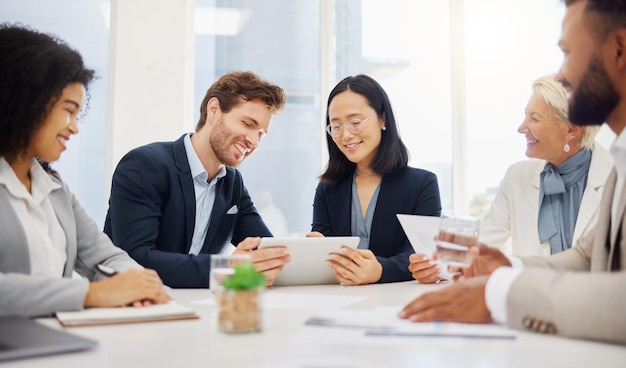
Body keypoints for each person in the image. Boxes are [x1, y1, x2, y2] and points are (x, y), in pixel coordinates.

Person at [400, 0, 626, 345]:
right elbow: (586, 257)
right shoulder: (621, 161)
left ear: (620, 50)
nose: (562, 74)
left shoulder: (609, 164)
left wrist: (503, 291)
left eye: (568, 52)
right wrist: (507, 266)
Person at [0, 23, 171, 317]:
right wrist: (92, 293)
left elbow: (105, 255)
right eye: (68, 110)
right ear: (25, 101)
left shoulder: (54, 189)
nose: (75, 128)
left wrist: (135, 284)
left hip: (55, 343)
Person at [409, 74, 613, 284]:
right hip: (532, 308)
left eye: (534, 118)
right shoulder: (517, 178)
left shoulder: (616, 178)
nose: (521, 128)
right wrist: (438, 267)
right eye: (526, 116)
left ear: (572, 129)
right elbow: (483, 248)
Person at [104, 71, 290, 288]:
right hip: (130, 307)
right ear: (214, 110)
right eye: (248, 124)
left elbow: (267, 251)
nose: (253, 141)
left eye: (261, 134)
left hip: (195, 308)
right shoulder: (145, 165)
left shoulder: (232, 184)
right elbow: (136, 259)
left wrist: (311, 254)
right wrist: (227, 268)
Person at [308, 74, 442, 285]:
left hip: (399, 302)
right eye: (336, 126)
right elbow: (326, 251)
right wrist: (316, 250)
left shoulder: (422, 184)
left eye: (355, 122)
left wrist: (380, 270)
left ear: (383, 119)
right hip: (339, 301)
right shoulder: (327, 188)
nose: (346, 135)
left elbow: (421, 254)